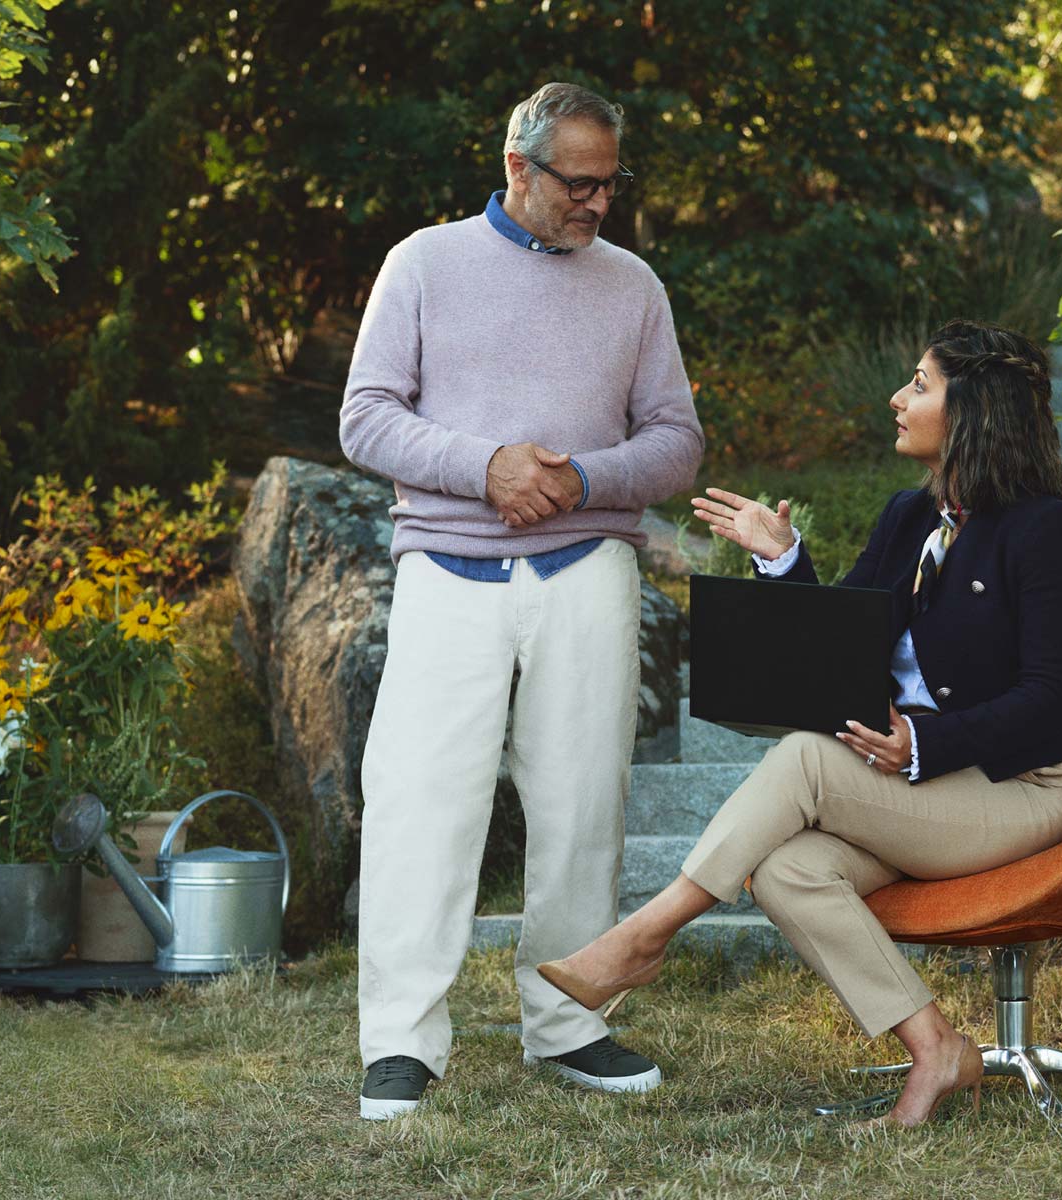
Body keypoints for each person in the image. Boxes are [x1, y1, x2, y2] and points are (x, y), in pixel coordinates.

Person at [538, 319, 1062, 1127]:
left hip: (1022, 789)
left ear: (974, 409)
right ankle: (936, 1048)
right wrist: (782, 558)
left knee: (805, 759)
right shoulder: (910, 516)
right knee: (790, 871)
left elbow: (1050, 697)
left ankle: (645, 936)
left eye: (920, 384)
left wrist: (924, 742)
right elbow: (844, 647)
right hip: (925, 790)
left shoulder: (1049, 531)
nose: (897, 399)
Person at [338, 81, 704, 1121]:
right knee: (420, 805)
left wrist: (579, 481)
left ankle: (569, 1023)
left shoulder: (632, 286)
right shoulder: (422, 262)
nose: (596, 203)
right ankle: (400, 1044)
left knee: (582, 804)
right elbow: (365, 420)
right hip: (447, 573)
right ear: (516, 168)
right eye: (576, 183)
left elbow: (675, 441)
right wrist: (484, 465)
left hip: (584, 569)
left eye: (608, 184)